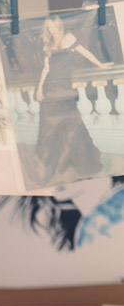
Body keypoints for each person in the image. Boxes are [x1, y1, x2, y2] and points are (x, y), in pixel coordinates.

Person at [33, 16, 114, 186]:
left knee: (72, 123)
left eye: (54, 27)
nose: (52, 30)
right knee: (48, 126)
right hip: (50, 88)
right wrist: (40, 88)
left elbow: (85, 52)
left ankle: (78, 162)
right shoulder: (47, 44)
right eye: (49, 28)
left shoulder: (68, 37)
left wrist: (100, 65)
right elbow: (46, 69)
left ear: (59, 25)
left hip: (65, 88)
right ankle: (52, 165)